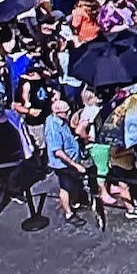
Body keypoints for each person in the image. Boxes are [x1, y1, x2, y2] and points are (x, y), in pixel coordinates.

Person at [44, 97, 89, 226]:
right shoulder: (53, 129)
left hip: (70, 159)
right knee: (66, 187)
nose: (69, 113)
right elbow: (57, 151)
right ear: (57, 113)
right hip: (62, 164)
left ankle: (73, 202)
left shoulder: (60, 121)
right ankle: (69, 213)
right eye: (66, 112)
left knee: (73, 184)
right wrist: (75, 165)